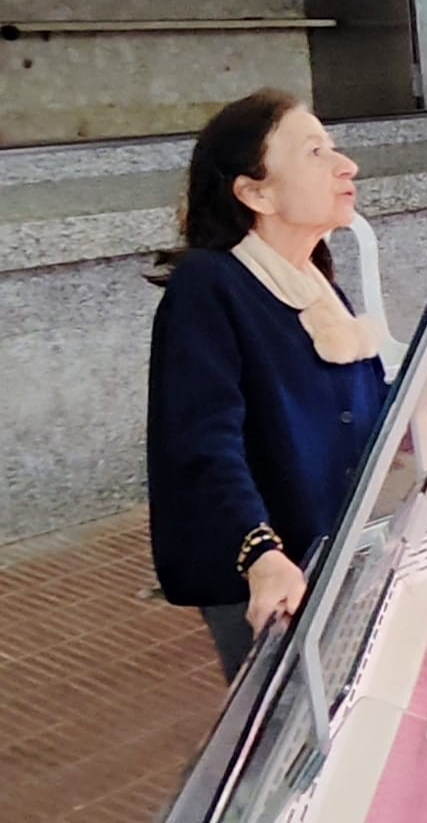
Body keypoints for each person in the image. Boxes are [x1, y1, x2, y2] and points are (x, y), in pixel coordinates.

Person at [147, 89, 389, 682]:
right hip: (273, 570)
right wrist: (260, 554)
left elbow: (372, 416)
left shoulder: (316, 283)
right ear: (255, 192)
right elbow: (201, 442)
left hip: (333, 555)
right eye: (314, 152)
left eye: (334, 147)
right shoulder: (209, 286)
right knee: (285, 737)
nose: (345, 165)